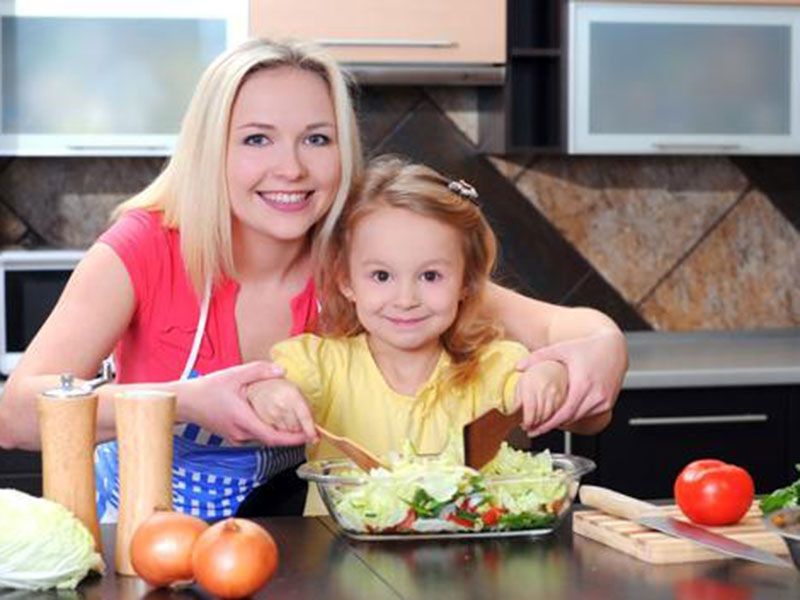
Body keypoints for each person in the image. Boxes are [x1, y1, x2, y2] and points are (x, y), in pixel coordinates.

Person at [0, 38, 626, 520]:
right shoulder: (144, 249)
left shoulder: (361, 260)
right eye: (256, 139)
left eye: (316, 139)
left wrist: (604, 347)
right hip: (145, 545)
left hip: (286, 549)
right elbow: (17, 415)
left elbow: (564, 329)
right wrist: (183, 403)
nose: (291, 168)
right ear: (210, 151)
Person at [249, 157, 612, 513]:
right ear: (346, 280)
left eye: (430, 276)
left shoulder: (492, 366)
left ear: (466, 283)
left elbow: (558, 395)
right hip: (341, 563)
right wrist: (269, 394)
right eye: (381, 276)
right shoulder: (320, 365)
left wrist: (550, 375)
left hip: (465, 565)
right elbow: (262, 389)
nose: (406, 300)